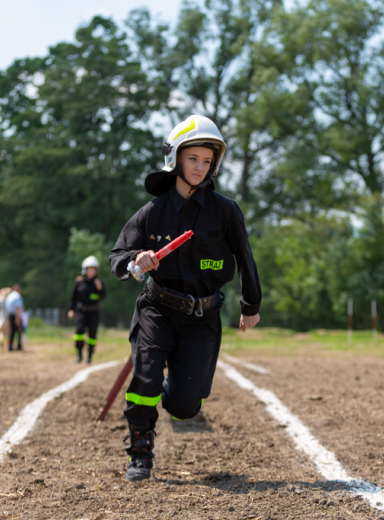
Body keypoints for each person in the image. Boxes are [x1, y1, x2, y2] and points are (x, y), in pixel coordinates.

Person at [109, 115, 262, 482]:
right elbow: (118, 256)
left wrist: (250, 305)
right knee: (144, 378)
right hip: (157, 309)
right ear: (176, 158)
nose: (199, 167)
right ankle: (141, 450)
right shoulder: (152, 212)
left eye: (207, 161)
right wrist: (137, 261)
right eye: (193, 158)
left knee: (184, 406)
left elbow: (245, 257)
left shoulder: (225, 211)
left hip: (202, 318)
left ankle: (173, 393)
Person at [68, 256, 106, 363]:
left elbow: (103, 296)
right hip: (81, 311)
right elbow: (73, 297)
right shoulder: (79, 281)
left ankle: (89, 356)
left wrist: (100, 289)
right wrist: (71, 309)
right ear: (85, 269)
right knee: (79, 332)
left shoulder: (98, 283)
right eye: (89, 269)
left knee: (92, 335)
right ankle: (79, 354)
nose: (91, 271)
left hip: (94, 312)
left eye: (93, 269)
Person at [5, 284, 25, 351]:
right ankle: (19, 346)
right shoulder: (17, 296)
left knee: (11, 331)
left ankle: (10, 346)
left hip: (10, 315)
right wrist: (17, 318)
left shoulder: (9, 296)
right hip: (16, 315)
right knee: (19, 331)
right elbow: (17, 307)